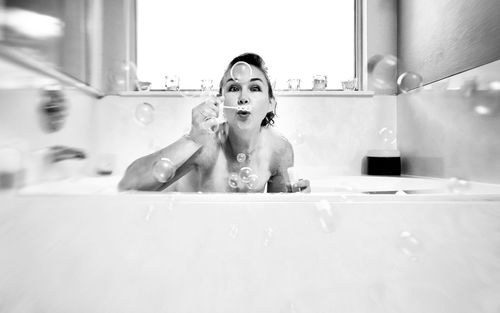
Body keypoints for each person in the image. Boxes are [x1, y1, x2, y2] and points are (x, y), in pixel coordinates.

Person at [118, 53, 310, 193]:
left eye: (255, 87)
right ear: (222, 102)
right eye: (234, 88)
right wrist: (192, 139)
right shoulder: (206, 144)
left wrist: (299, 201)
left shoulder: (279, 149)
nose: (243, 98)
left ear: (270, 104)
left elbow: (278, 214)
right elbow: (127, 185)